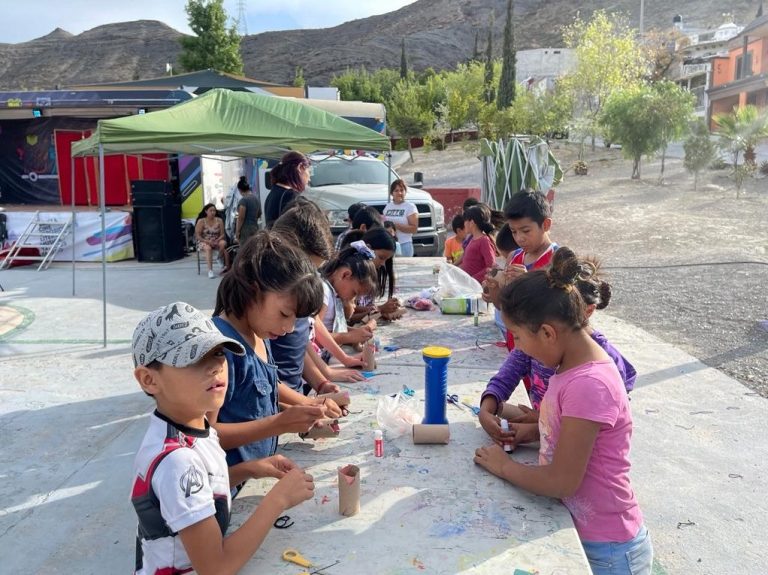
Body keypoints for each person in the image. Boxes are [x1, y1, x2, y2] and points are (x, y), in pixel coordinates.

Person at [474, 247, 652, 575]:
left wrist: (504, 467)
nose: (519, 347)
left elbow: (562, 480)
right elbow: (579, 436)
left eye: (518, 337)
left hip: (607, 550)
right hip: (585, 532)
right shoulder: (569, 362)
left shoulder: (590, 383)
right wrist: (536, 432)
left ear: (547, 333)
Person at [130, 302, 314, 575]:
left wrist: (248, 470)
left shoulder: (191, 426)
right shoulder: (177, 461)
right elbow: (215, 568)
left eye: (218, 353)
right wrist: (278, 501)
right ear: (149, 380)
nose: (215, 366)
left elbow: (199, 491)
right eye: (192, 358)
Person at [479, 254, 637, 450]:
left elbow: (597, 423)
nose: (518, 345)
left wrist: (536, 428)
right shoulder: (536, 342)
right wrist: (487, 408)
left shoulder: (596, 370)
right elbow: (508, 374)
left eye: (518, 336)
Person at [210, 231, 340, 468]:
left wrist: (308, 406)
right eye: (284, 314)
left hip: (260, 473)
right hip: (233, 487)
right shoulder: (220, 351)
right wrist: (280, 423)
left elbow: (266, 385)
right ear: (253, 290)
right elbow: (207, 437)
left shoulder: (258, 331)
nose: (289, 328)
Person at [270, 199, 366, 395]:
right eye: (307, 267)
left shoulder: (296, 290)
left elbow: (301, 340)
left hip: (295, 393)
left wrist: (321, 381)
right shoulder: (268, 296)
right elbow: (265, 381)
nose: (309, 276)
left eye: (314, 270)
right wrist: (303, 405)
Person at [318, 242, 379, 353]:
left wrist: (357, 332)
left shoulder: (334, 293)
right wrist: (349, 337)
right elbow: (313, 336)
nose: (353, 299)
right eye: (354, 293)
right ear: (345, 275)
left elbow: (331, 329)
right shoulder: (323, 292)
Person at [340, 226, 399, 323]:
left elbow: (363, 310)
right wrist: (379, 310)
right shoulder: (352, 274)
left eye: (386, 260)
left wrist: (381, 313)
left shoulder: (373, 272)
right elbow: (346, 318)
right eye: (381, 257)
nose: (383, 263)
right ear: (368, 248)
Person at [264, 151, 311, 228]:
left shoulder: (274, 192)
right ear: (300, 167)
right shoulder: (291, 196)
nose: (309, 179)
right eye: (309, 171)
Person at [459, 204, 497, 283]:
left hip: (476, 286)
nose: (464, 224)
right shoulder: (472, 239)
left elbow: (491, 266)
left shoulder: (484, 241)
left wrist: (473, 279)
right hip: (467, 283)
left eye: (465, 221)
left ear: (472, 222)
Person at [382, 178, 418, 257]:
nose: (399, 193)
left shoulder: (410, 207)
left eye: (402, 190)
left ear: (405, 192)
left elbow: (414, 229)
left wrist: (396, 226)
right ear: (392, 193)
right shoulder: (388, 207)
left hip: (404, 245)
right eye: (396, 190)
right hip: (389, 245)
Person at [195, 203, 230, 278]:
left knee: (223, 243)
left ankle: (219, 258)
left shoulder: (219, 220)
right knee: (208, 248)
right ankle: (210, 271)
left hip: (216, 240)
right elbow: (197, 235)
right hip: (204, 241)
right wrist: (207, 241)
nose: (213, 212)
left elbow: (223, 234)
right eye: (211, 211)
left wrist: (217, 240)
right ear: (206, 211)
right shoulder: (201, 221)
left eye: (214, 211)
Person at [234, 176, 261, 246]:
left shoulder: (243, 200)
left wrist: (237, 231)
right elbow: (259, 214)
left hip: (245, 230)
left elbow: (241, 218)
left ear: (239, 190)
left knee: (245, 251)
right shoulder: (256, 199)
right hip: (255, 228)